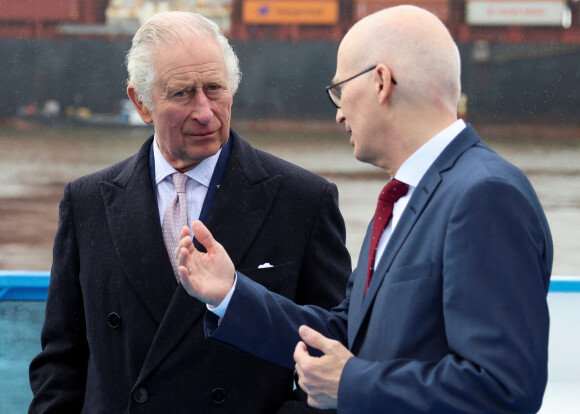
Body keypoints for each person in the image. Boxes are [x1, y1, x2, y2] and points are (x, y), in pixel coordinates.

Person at [176, 5, 553, 414]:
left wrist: (351, 384)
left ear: (380, 82)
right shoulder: (405, 199)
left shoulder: (485, 196)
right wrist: (230, 294)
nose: (338, 113)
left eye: (339, 90)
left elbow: (505, 389)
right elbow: (346, 333)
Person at [28, 11, 351, 414]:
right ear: (141, 103)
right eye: (182, 93)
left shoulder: (303, 199)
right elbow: (62, 362)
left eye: (214, 88)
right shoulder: (86, 202)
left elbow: (332, 351)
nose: (204, 111)